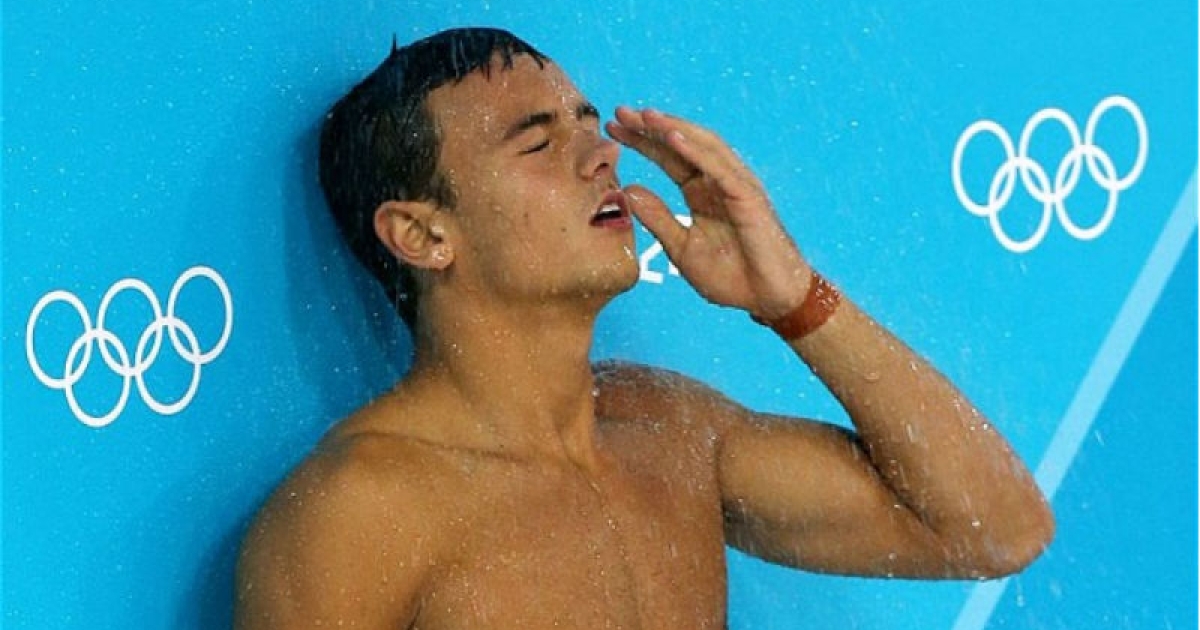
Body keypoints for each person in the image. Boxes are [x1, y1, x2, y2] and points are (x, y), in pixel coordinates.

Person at [234, 27, 1054, 629]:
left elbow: (996, 530)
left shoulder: (667, 431)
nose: (601, 156)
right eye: (537, 144)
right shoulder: (358, 515)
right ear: (421, 234)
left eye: (589, 126)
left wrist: (794, 299)